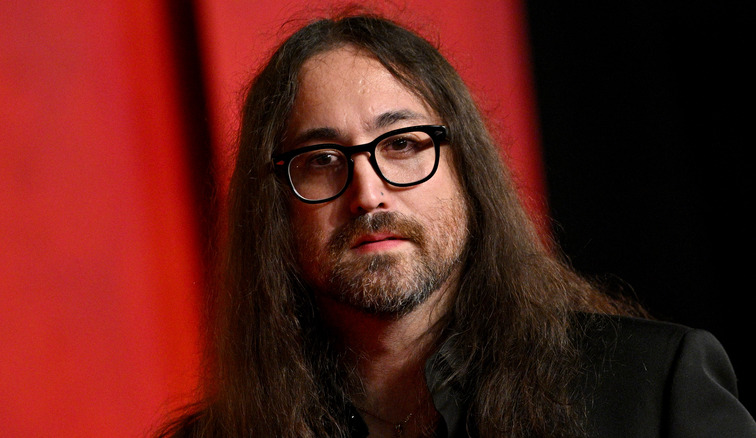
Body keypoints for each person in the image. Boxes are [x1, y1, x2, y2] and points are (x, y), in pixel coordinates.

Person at [157, 13, 756, 438]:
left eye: (404, 144)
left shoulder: (654, 392)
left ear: (468, 173)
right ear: (275, 211)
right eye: (321, 161)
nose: (369, 193)